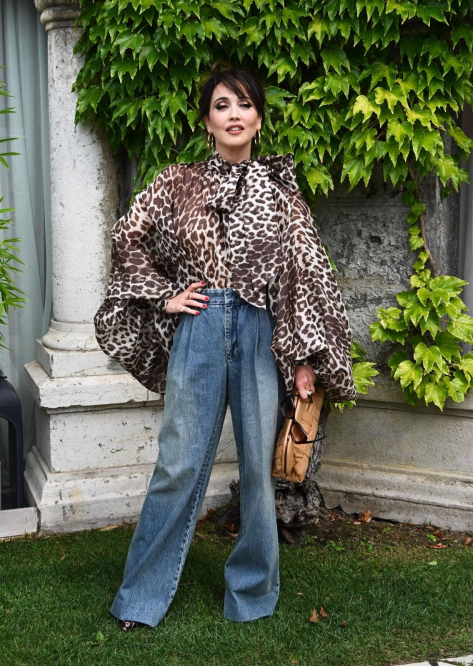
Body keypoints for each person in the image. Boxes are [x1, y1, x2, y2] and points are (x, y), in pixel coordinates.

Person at [93, 62, 357, 632]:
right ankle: (140, 599)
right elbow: (126, 234)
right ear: (207, 120)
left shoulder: (282, 193)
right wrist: (165, 295)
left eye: (243, 104)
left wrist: (303, 358)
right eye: (221, 105)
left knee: (260, 473)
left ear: (258, 117)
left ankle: (252, 593)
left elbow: (302, 274)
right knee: (178, 462)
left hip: (263, 331)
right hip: (204, 323)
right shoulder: (176, 182)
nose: (233, 114)